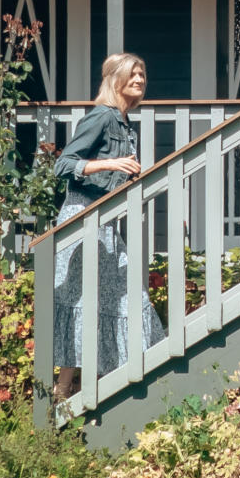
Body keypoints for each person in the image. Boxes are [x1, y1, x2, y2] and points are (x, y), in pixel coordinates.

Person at [50, 53, 161, 387]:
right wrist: (110, 165)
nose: (140, 80)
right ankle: (62, 392)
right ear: (115, 80)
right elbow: (63, 165)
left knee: (118, 300)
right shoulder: (101, 117)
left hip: (106, 223)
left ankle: (106, 385)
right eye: (133, 74)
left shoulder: (124, 125)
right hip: (82, 217)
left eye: (142, 74)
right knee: (79, 300)